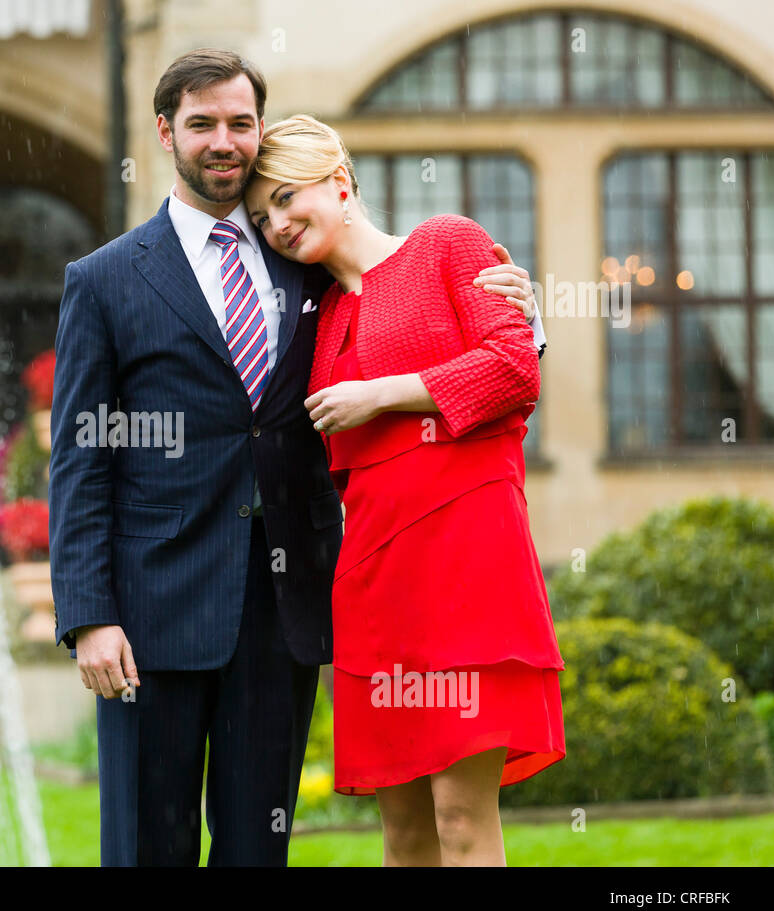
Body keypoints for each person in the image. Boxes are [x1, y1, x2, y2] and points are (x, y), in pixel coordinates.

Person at [48, 50, 544, 866]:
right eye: (202, 123)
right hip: (148, 612)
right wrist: (89, 613)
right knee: (146, 844)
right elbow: (80, 457)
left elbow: (407, 302)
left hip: (283, 613)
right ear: (167, 131)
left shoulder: (303, 261)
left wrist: (524, 316)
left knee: (258, 846)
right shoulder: (104, 281)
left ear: (261, 131)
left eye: (240, 123)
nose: (223, 140)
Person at [244, 113, 566, 867]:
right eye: (263, 217)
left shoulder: (445, 244)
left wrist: (384, 393)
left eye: (289, 198)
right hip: (375, 586)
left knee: (461, 823)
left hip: (469, 565)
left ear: (341, 183)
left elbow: (516, 368)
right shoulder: (316, 319)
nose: (280, 223)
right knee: (406, 838)